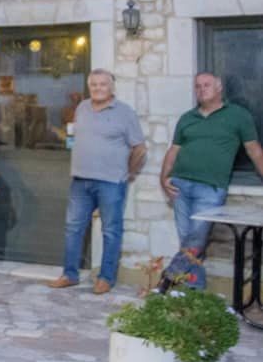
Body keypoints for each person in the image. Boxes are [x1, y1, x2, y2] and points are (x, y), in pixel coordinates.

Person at [48, 70, 146, 294]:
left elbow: (139, 148)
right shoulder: (82, 108)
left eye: (103, 84)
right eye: (93, 84)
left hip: (111, 182)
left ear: (112, 88)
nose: (98, 88)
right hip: (80, 180)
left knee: (111, 230)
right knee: (73, 228)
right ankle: (69, 274)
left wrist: (128, 172)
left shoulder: (125, 112)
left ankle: (106, 278)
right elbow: (75, 137)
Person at [160, 72, 263, 259]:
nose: (201, 89)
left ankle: (173, 275)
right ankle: (191, 277)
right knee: (186, 240)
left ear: (219, 87)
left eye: (206, 85)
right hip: (180, 186)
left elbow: (254, 151)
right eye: (197, 86)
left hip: (210, 188)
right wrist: (163, 178)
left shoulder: (238, 115)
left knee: (195, 243)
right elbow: (174, 150)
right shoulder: (187, 118)